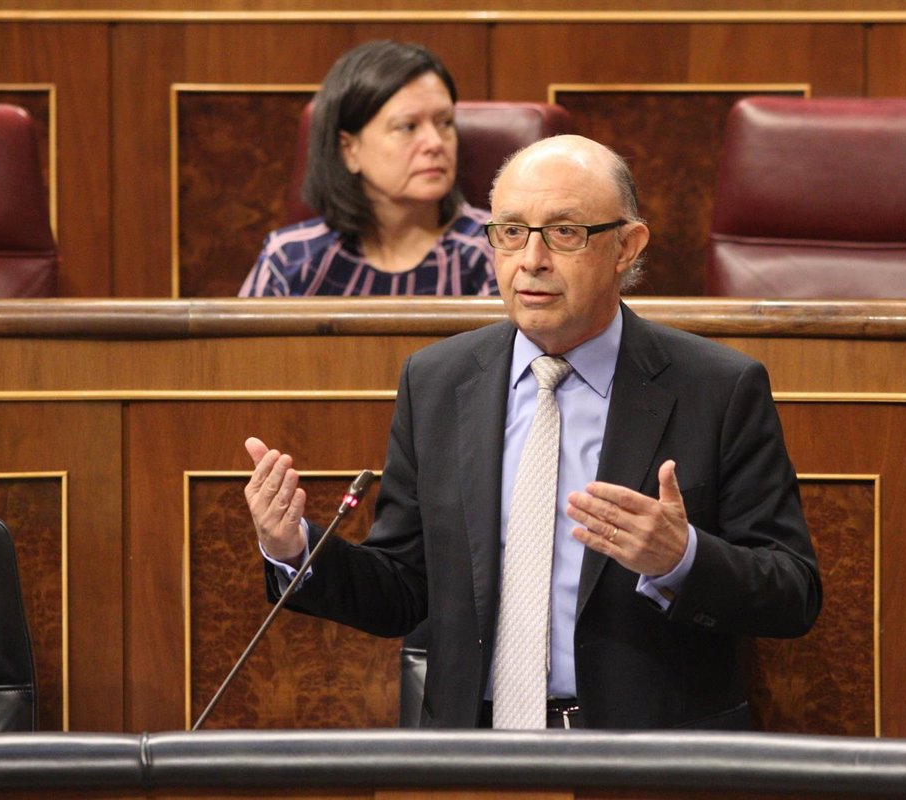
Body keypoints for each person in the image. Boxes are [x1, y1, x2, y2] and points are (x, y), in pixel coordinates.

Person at [244, 135, 821, 730]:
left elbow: (793, 591)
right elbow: (405, 588)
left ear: (626, 246)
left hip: (647, 754)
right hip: (475, 751)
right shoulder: (437, 382)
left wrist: (681, 559)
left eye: (565, 232)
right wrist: (295, 549)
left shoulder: (717, 389)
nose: (531, 260)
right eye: (512, 232)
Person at [238, 40, 497, 297]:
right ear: (349, 150)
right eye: (407, 127)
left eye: (445, 123)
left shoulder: (496, 249)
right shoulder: (289, 259)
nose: (435, 143)